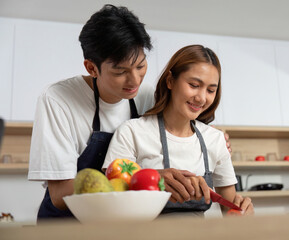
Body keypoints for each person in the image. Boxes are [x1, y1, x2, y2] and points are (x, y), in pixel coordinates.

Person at [28, 4, 231, 220]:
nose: (134, 81)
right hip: (68, 225)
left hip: (118, 225)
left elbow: (185, 122)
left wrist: (216, 139)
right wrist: (149, 178)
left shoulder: (144, 95)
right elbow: (60, 195)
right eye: (120, 71)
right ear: (91, 68)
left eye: (141, 66)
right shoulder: (58, 101)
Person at [103, 45, 254, 216]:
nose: (202, 98)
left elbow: (230, 208)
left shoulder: (215, 139)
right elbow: (109, 196)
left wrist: (242, 211)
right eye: (194, 85)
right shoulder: (131, 132)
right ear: (170, 81)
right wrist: (152, 179)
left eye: (211, 90)